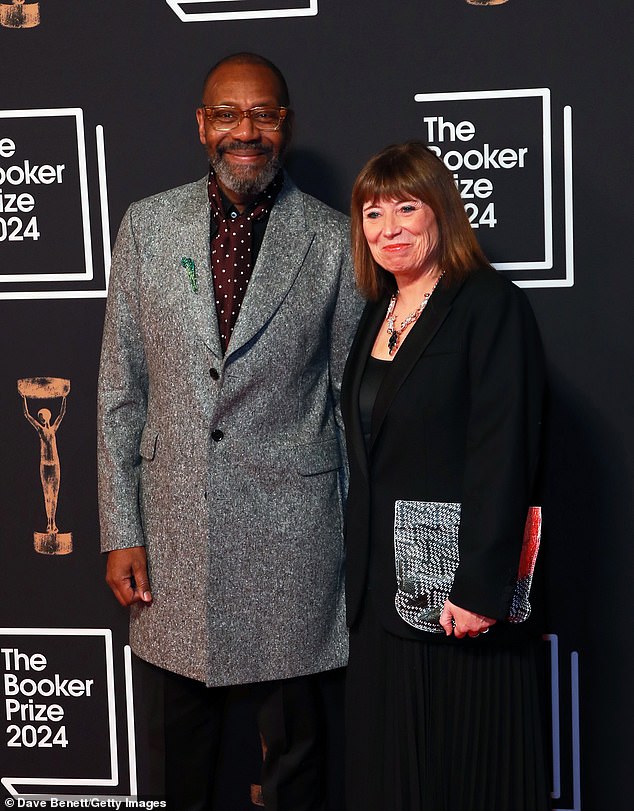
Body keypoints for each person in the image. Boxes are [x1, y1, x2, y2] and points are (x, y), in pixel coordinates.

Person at [97, 52, 360, 811]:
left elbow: (347, 395)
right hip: (175, 534)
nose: (246, 131)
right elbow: (121, 388)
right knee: (186, 756)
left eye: (264, 113)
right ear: (201, 125)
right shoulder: (148, 226)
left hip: (297, 538)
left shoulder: (334, 239)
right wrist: (122, 525)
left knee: (297, 757)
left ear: (287, 123)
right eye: (228, 114)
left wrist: (353, 542)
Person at [341, 141, 551, 810]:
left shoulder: (489, 304)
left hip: (458, 596)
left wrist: (480, 586)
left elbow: (505, 450)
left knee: (465, 776)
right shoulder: (378, 311)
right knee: (391, 780)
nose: (389, 228)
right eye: (373, 214)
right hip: (379, 596)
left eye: (407, 207)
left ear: (442, 215)